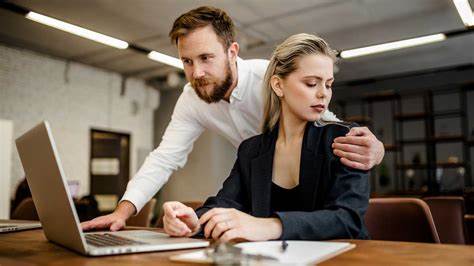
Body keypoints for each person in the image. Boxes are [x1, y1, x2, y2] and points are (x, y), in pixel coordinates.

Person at [81, 6, 382, 232]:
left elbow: (322, 121)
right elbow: (165, 159)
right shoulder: (238, 140)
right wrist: (131, 212)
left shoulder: (270, 78)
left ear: (232, 52)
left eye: (206, 58)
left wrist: (376, 149)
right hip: (263, 194)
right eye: (187, 61)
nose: (196, 73)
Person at [162, 33, 369, 242]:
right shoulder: (251, 150)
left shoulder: (345, 139)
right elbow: (224, 204)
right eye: (311, 83)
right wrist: (193, 221)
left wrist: (271, 226)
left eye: (328, 84)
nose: (323, 94)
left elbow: (348, 219)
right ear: (278, 86)